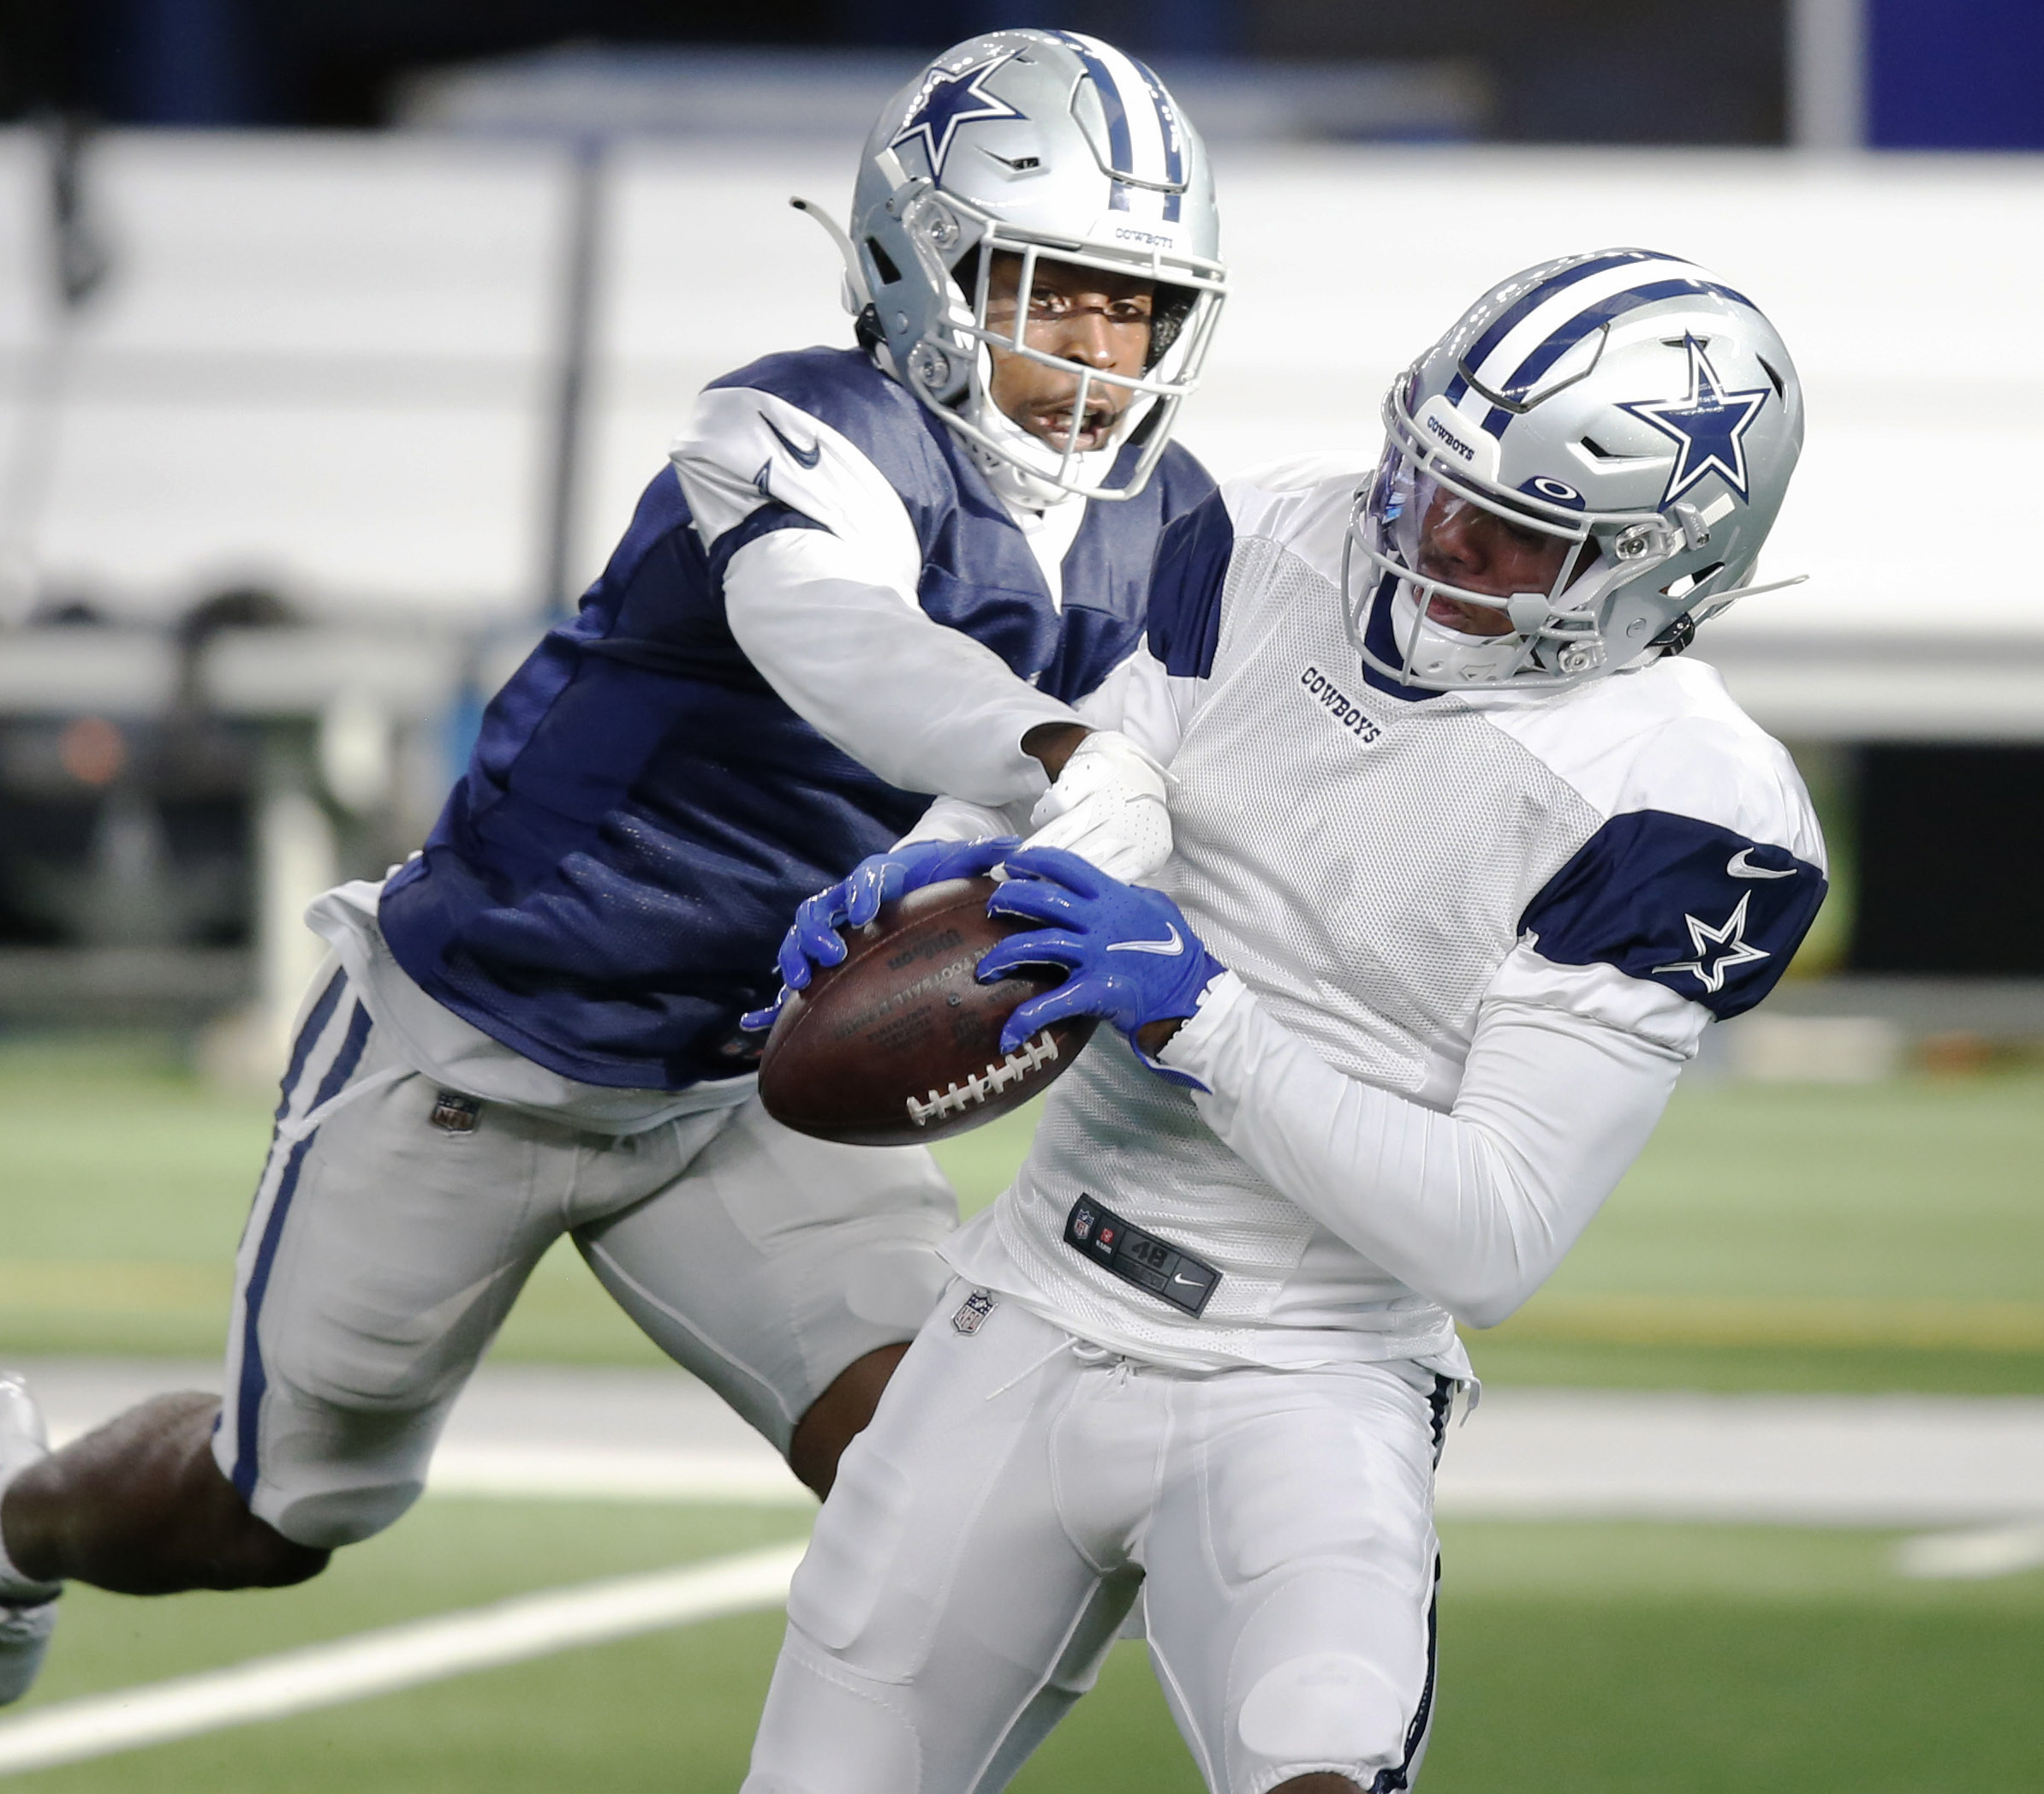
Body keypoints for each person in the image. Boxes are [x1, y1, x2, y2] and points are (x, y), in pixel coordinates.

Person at [0, 28, 1227, 1708]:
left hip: (757, 1083)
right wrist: (1057, 759)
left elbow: (1185, 751)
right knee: (278, 1506)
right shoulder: (794, 423)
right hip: (483, 1048)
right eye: (1057, 292)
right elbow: (839, 637)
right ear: (929, 263)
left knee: (960, 1484)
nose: (1100, 353)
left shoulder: (1168, 519)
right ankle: (0, 1518)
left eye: (1137, 307)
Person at [740, 250, 1828, 1794]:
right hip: (1037, 1294)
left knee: (1314, 1766)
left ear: (1664, 566)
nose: (1436, 538)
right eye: (1431, 479)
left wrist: (1205, 1015)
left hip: (1311, 1368)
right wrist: (940, 869)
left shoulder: (1681, 796)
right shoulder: (1271, 529)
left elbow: (1493, 1235)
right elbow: (1107, 783)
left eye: (1515, 534)